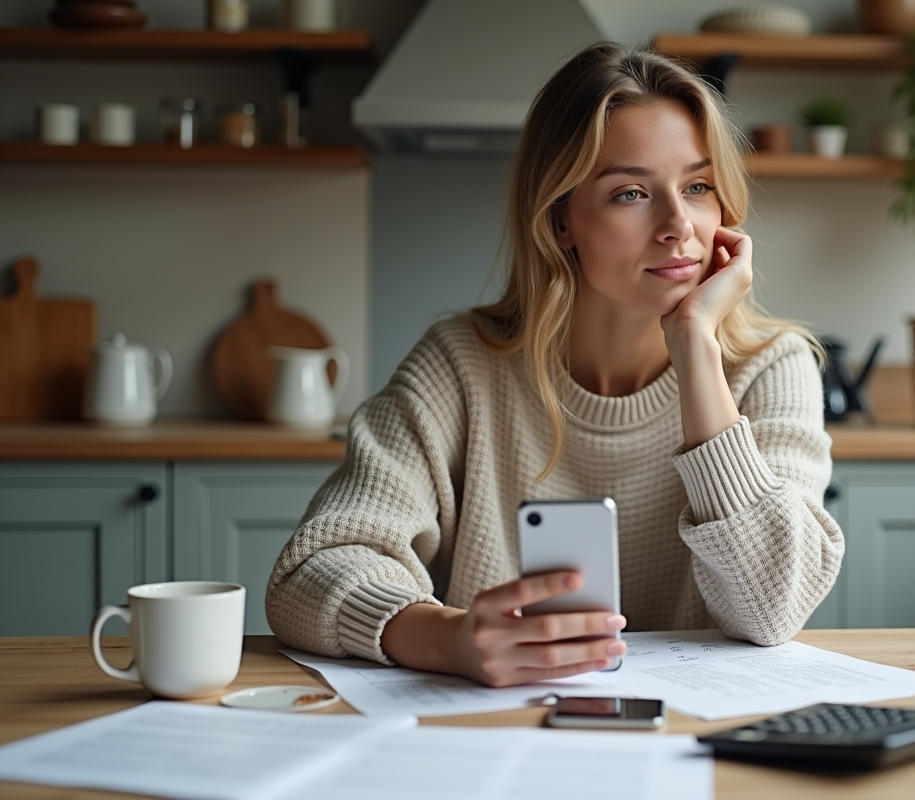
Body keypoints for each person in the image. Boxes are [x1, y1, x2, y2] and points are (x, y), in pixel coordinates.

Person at [266, 42, 844, 688]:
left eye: (699, 186)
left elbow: (772, 609)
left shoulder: (770, 367)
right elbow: (310, 570)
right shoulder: (461, 365)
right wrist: (447, 638)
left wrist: (696, 347)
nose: (679, 225)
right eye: (630, 192)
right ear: (562, 219)